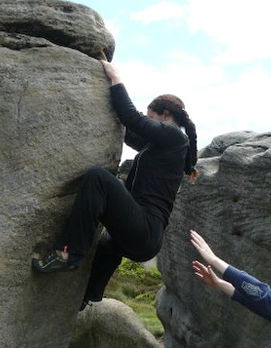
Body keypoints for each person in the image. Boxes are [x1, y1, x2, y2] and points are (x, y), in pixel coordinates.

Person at [32, 60, 198, 309]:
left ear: (166, 116)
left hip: (146, 229)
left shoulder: (175, 136)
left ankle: (67, 253)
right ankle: (89, 294)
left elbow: (132, 119)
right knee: (108, 243)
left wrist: (115, 78)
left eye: (151, 117)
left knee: (98, 178)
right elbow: (129, 131)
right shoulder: (160, 146)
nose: (148, 121)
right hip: (143, 236)